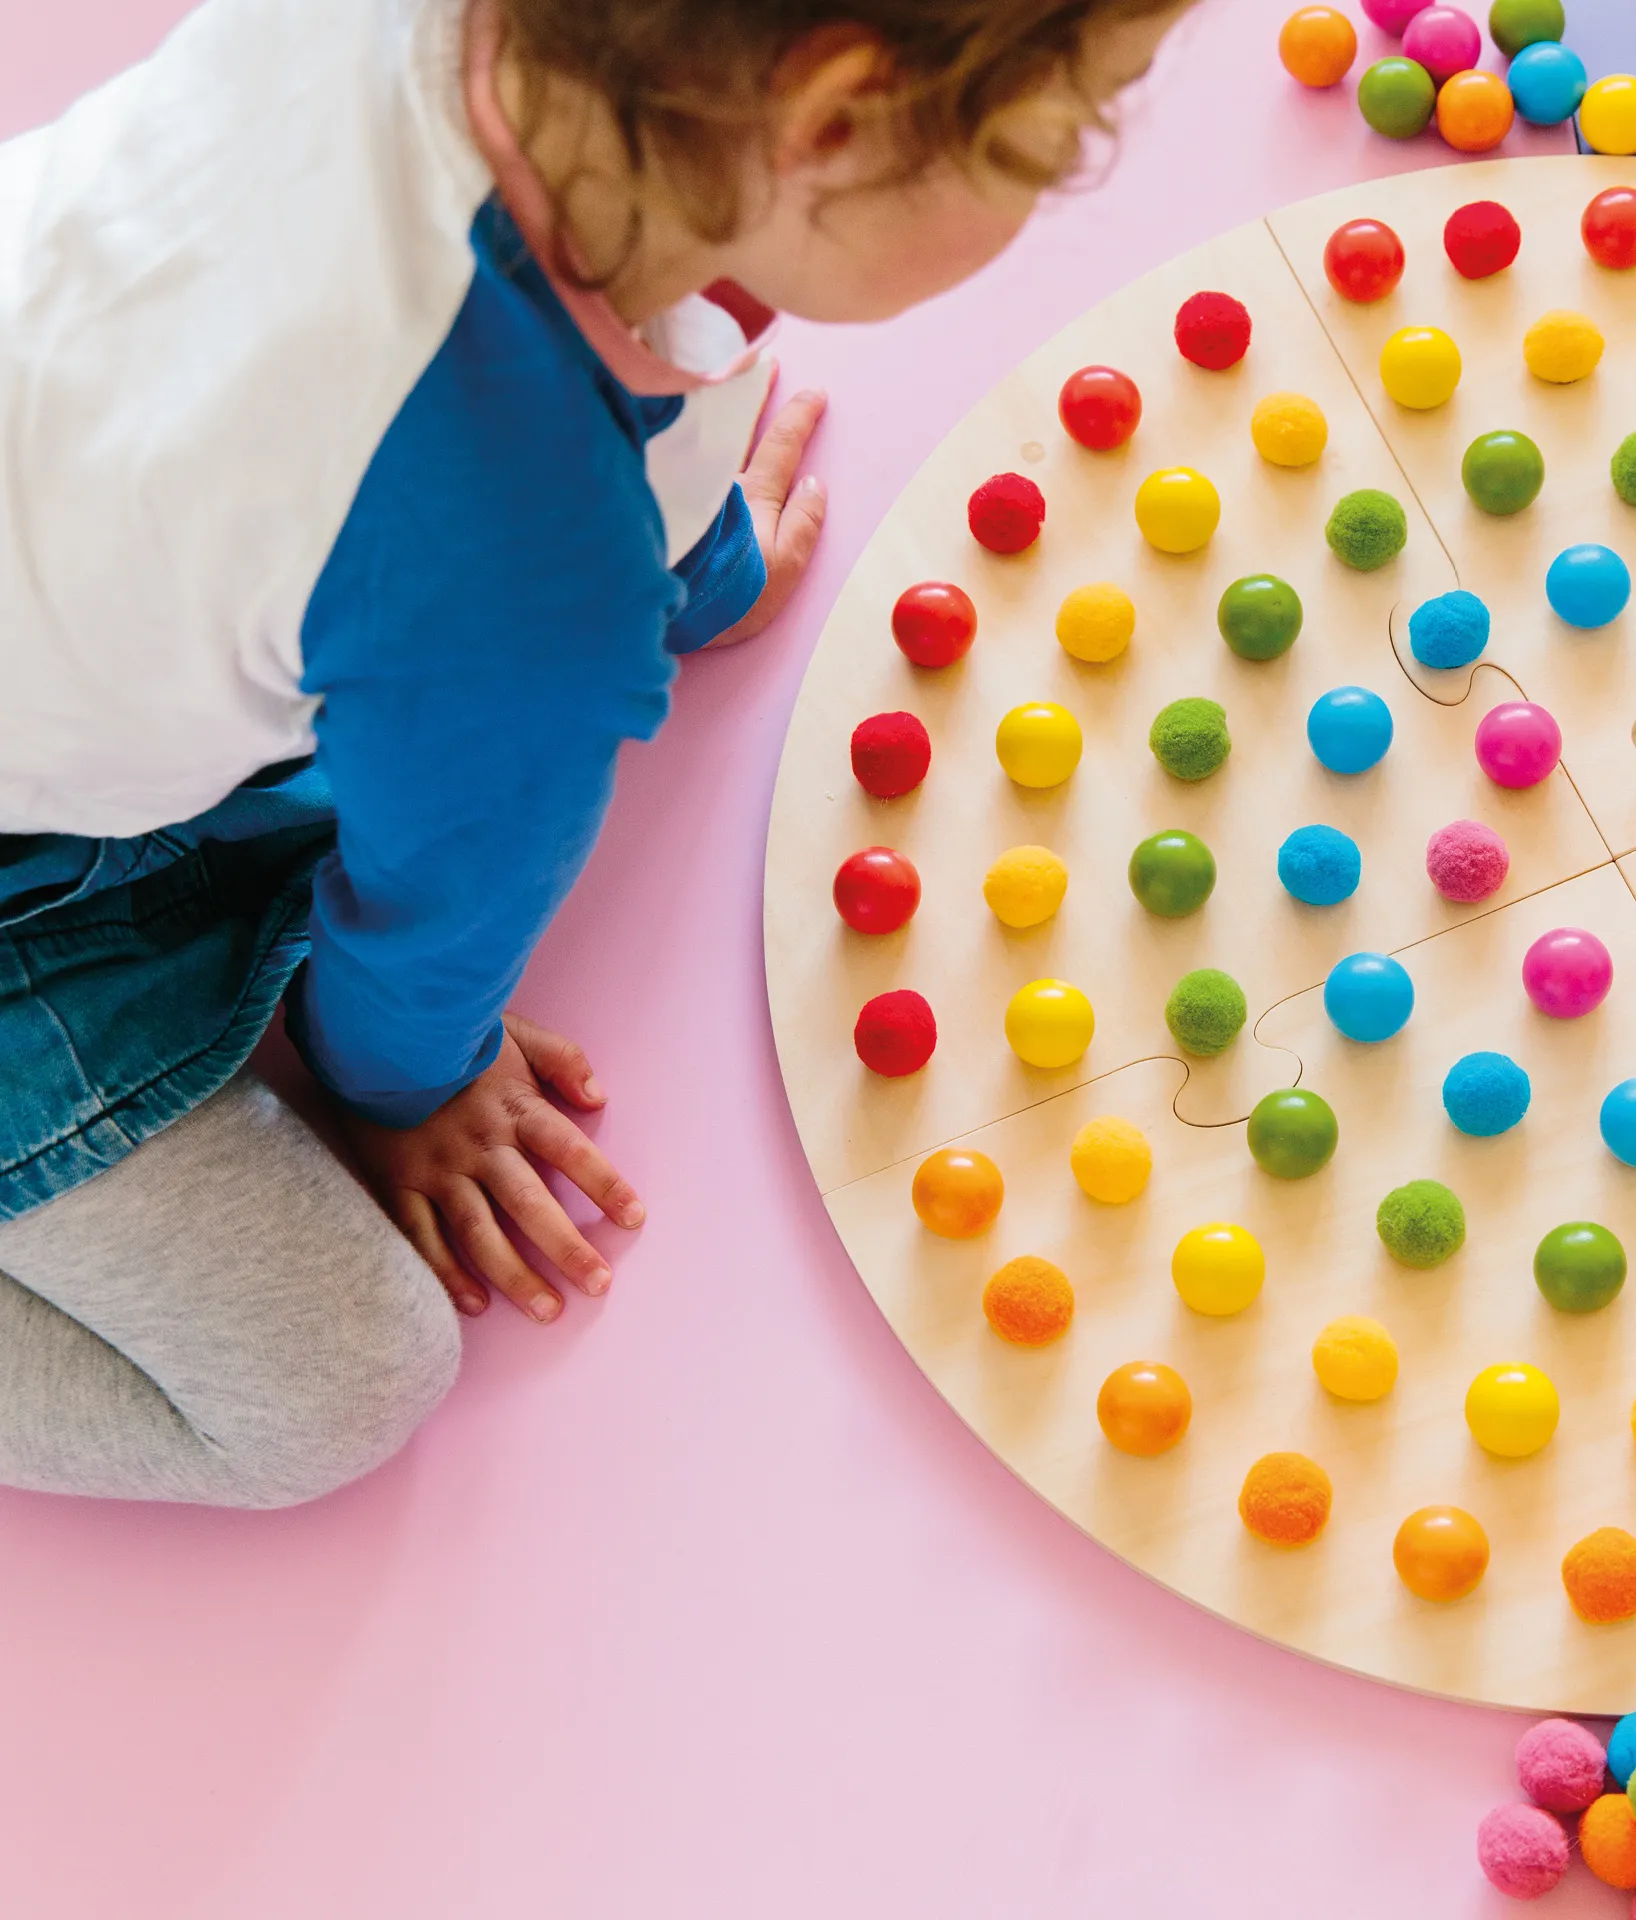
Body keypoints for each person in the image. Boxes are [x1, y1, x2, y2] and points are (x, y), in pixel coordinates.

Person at [0, 0, 1188, 1505]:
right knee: (333, 1384)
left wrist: (697, 559)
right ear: (831, 121)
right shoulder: (529, 581)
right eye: (1065, 135)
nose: (1081, 167)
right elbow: (436, 911)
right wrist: (408, 1084)